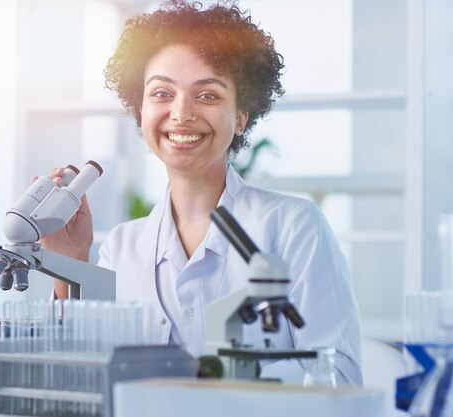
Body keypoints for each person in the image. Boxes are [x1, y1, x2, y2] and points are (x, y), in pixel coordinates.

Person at [42, 0, 363, 386]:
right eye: (161, 93)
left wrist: (208, 381)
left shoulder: (293, 227)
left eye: (208, 95)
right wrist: (68, 265)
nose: (181, 113)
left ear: (241, 116)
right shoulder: (122, 249)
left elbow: (339, 377)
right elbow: (80, 381)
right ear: (140, 108)